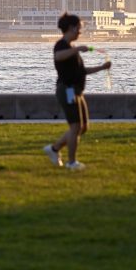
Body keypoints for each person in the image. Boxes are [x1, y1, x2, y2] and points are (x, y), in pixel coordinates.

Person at [43, 12, 111, 171]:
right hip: (67, 90)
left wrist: (102, 68)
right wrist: (78, 49)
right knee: (75, 127)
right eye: (79, 29)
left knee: (83, 127)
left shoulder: (72, 49)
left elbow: (82, 71)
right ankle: (71, 162)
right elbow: (58, 57)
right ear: (72, 28)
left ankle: (54, 149)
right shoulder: (61, 45)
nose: (80, 32)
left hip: (76, 91)